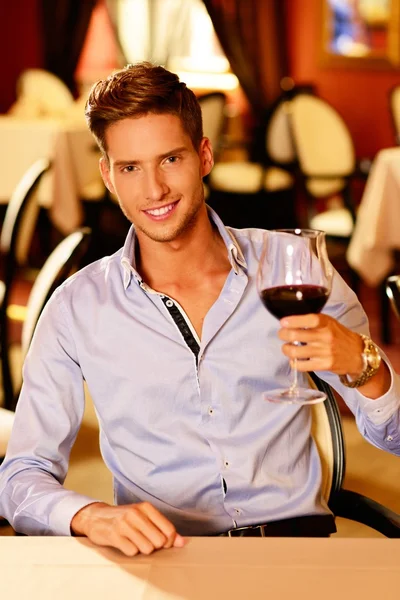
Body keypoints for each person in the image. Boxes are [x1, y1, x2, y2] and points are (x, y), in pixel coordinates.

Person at [0, 63, 399, 555]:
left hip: (295, 549)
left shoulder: (296, 269)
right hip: (163, 558)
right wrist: (87, 516)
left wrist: (366, 366)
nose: (154, 190)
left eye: (170, 159)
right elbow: (21, 477)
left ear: (204, 155)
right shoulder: (76, 307)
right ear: (107, 175)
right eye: (130, 168)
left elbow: (396, 438)